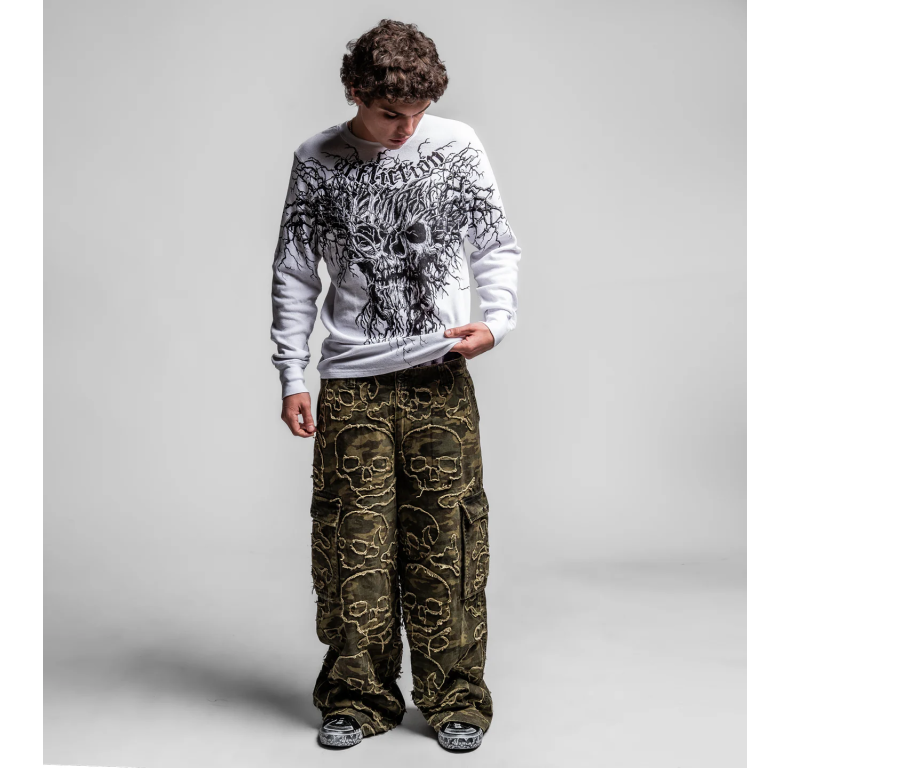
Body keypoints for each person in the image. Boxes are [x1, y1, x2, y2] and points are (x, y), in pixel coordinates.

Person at [269, 19, 521, 753]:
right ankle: (358, 695)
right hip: (353, 382)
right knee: (354, 546)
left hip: (439, 376)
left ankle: (456, 698)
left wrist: (497, 323)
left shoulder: (457, 145)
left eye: (418, 112)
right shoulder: (316, 159)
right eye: (389, 114)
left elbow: (494, 242)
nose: (407, 128)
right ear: (355, 92)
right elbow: (294, 271)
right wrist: (291, 374)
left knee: (450, 540)